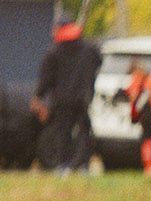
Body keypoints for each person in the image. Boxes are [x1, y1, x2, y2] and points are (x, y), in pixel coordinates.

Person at [32, 20, 102, 173]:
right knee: (84, 131)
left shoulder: (54, 51)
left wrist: (38, 96)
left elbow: (46, 78)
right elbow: (98, 61)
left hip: (62, 99)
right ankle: (84, 165)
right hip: (84, 97)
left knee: (63, 131)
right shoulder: (89, 48)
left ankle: (64, 165)